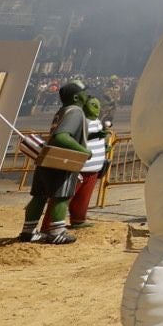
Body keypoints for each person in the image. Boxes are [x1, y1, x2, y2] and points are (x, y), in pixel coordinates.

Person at [20, 80, 92, 244]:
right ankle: (56, 232)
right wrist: (83, 151)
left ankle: (28, 231)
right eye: (84, 92)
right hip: (61, 161)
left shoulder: (63, 111)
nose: (87, 94)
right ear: (76, 97)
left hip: (46, 158)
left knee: (39, 196)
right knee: (62, 197)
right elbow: (62, 136)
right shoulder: (75, 112)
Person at [45, 93, 111, 233]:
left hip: (94, 169)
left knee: (84, 197)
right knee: (64, 197)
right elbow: (77, 137)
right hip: (79, 167)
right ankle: (50, 225)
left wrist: (104, 146)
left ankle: (78, 219)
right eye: (93, 105)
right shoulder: (80, 121)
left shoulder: (98, 122)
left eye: (99, 106)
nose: (97, 108)